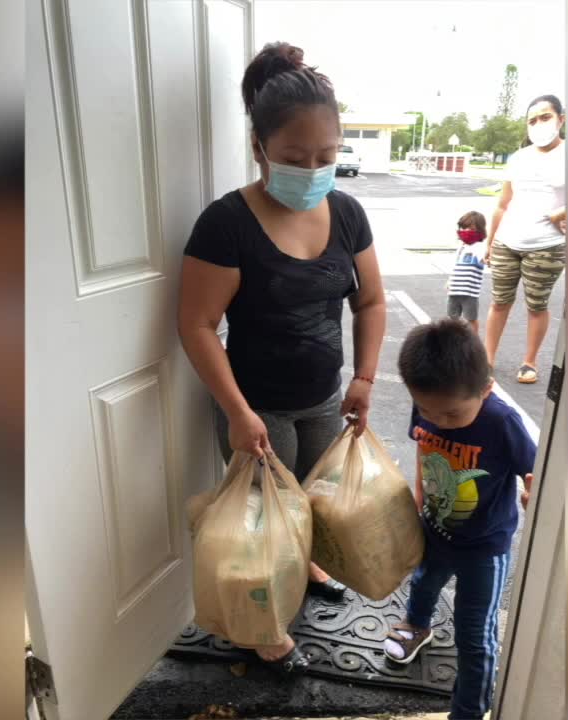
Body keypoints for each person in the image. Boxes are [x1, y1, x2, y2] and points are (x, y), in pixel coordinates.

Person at [177, 42, 386, 675]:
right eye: (295, 158)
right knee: (261, 530)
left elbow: (371, 301)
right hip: (256, 406)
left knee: (313, 508)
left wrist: (366, 376)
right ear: (259, 148)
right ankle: (266, 633)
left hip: (325, 396)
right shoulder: (226, 223)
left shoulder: (347, 213)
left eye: (327, 156)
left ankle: (312, 567)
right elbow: (197, 323)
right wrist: (236, 411)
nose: (314, 169)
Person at [385, 319, 535, 720]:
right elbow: (422, 447)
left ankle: (468, 711)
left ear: (485, 389)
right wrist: (419, 501)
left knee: (475, 637)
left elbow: (534, 472)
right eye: (428, 410)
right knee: (423, 581)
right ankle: (418, 625)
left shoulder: (501, 423)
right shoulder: (428, 406)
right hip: (436, 530)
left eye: (451, 413)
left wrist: (533, 490)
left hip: (484, 548)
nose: (438, 420)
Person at [484, 94, 566, 384]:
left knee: (536, 305)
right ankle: (487, 360)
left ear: (561, 119)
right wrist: (490, 240)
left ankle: (529, 362)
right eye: (532, 120)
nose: (539, 124)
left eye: (545, 117)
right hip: (507, 241)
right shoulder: (519, 158)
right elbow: (503, 203)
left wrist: (562, 213)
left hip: (547, 246)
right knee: (499, 302)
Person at [446, 211, 488, 337]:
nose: (466, 231)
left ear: (479, 230)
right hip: (454, 290)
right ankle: (453, 341)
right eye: (463, 228)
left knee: (470, 319)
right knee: (452, 318)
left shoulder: (479, 247)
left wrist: (487, 260)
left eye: (470, 228)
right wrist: (449, 281)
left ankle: (473, 342)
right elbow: (455, 266)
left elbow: (485, 259)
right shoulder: (461, 247)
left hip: (469, 292)